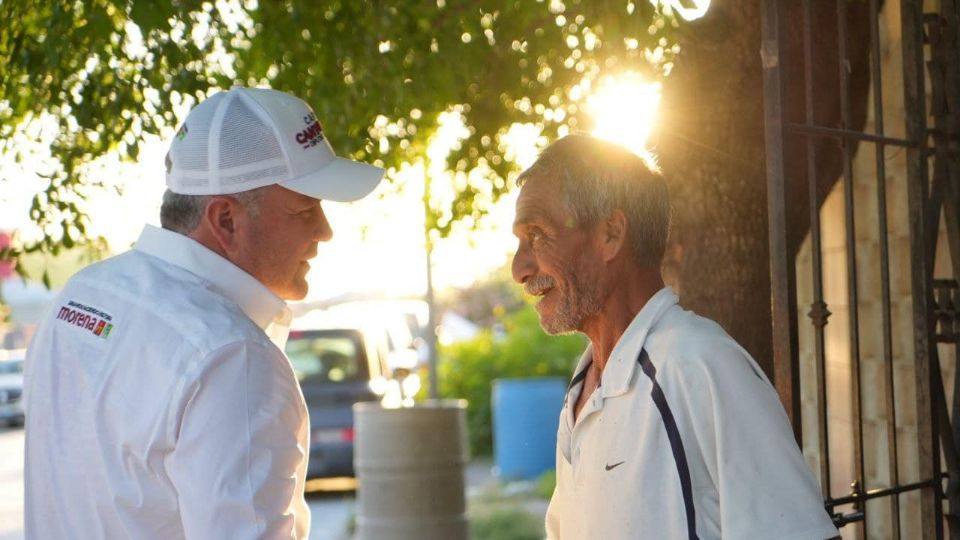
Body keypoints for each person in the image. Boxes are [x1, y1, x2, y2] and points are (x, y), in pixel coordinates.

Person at [23, 87, 384, 539]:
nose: (325, 231)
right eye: (305, 209)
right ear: (226, 219)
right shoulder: (232, 358)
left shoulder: (82, 294)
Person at [511, 134, 839, 539]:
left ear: (611, 233)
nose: (519, 268)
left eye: (538, 235)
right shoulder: (583, 394)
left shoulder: (699, 365)